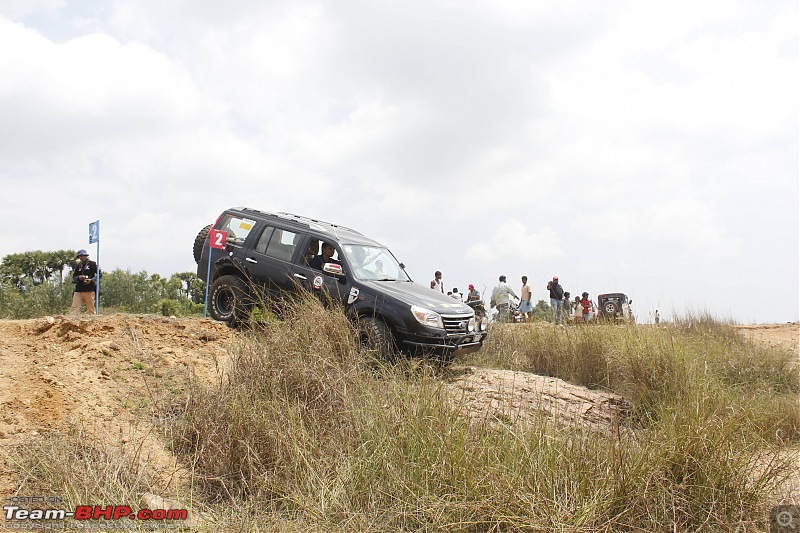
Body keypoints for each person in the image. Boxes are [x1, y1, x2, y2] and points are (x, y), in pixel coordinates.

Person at [69, 249, 99, 315]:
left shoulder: (92, 264)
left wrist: (91, 280)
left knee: (90, 309)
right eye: (80, 256)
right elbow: (74, 277)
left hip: (89, 289)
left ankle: (92, 322)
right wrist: (79, 277)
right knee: (74, 307)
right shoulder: (78, 266)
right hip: (79, 289)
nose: (82, 257)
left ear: (86, 256)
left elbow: (99, 274)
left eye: (84, 256)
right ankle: (71, 321)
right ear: (79, 257)